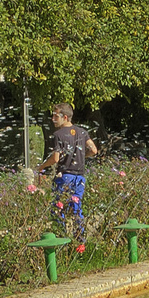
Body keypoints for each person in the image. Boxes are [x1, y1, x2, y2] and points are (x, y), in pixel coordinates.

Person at [37, 103, 98, 244]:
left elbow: (55, 158)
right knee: (76, 209)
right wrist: (83, 157)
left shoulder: (58, 135)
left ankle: (61, 241)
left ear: (65, 117)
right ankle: (80, 242)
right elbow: (94, 150)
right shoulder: (82, 132)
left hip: (64, 176)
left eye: (55, 116)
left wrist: (41, 167)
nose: (53, 119)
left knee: (58, 208)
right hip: (80, 177)